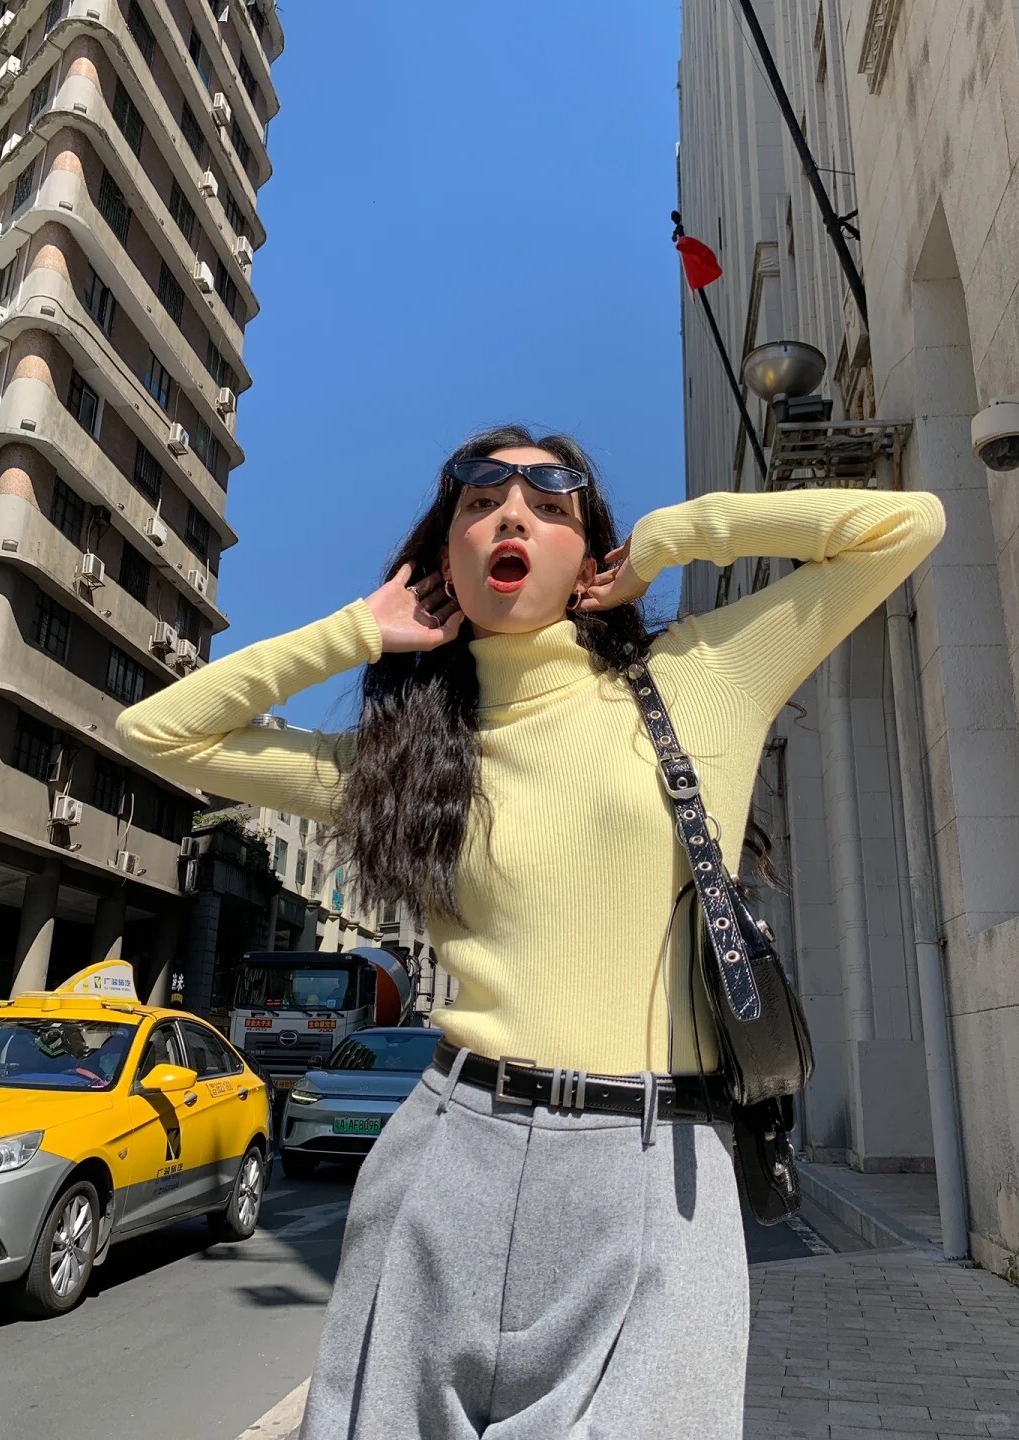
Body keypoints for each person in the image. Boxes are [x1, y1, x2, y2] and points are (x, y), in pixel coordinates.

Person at [117, 426, 945, 1439]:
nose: (512, 511)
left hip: (656, 1169)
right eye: (479, 498)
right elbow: (158, 731)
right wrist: (357, 630)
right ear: (446, 561)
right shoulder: (402, 767)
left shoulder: (704, 679)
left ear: (586, 555)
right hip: (448, 1153)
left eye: (552, 500)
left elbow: (906, 526)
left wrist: (674, 540)